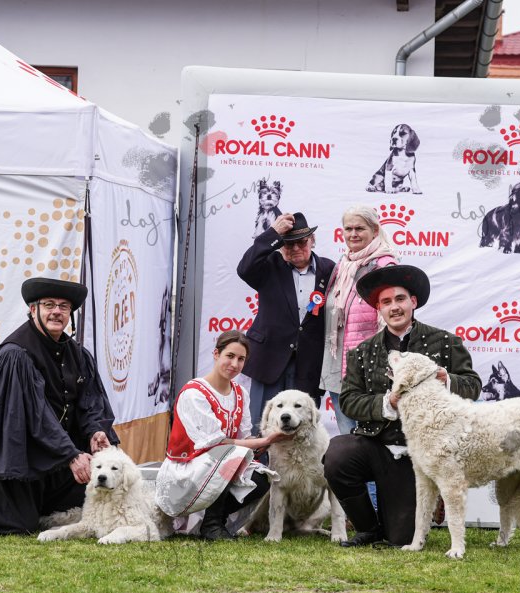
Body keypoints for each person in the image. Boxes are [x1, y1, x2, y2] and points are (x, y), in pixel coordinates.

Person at [0, 277, 118, 534]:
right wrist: (71, 456)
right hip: (12, 447)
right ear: (33, 309)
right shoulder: (15, 355)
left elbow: (91, 401)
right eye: (49, 305)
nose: (57, 312)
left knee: (82, 499)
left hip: (52, 448)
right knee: (17, 526)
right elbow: (33, 414)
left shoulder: (78, 354)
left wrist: (95, 430)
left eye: (63, 306)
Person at [323, 265, 481, 547]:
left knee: (401, 538)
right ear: (378, 309)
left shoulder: (445, 342)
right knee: (338, 454)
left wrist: (445, 378)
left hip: (423, 452)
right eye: (386, 302)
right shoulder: (362, 352)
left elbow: (473, 385)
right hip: (378, 445)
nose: (394, 307)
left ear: (413, 302)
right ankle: (367, 528)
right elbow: (348, 400)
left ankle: (431, 494)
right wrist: (388, 402)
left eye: (400, 299)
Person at [155, 331, 290, 540]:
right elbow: (215, 442)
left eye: (241, 359)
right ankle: (211, 526)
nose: (235, 364)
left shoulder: (240, 393)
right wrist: (265, 440)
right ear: (216, 354)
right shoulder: (194, 393)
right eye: (230, 356)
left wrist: (268, 439)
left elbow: (244, 438)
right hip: (188, 469)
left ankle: (214, 520)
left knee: (262, 478)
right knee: (228, 456)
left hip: (222, 462)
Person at [237, 212, 335, 434]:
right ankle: (259, 459)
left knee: (303, 429)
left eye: (302, 242)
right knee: (261, 425)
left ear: (312, 241)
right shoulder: (268, 265)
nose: (296, 248)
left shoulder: (329, 269)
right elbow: (244, 268)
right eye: (289, 244)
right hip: (269, 358)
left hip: (309, 362)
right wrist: (273, 233)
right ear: (281, 245)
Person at [319, 204, 399, 435]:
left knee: (369, 439)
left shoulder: (385, 266)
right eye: (348, 229)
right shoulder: (342, 265)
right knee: (347, 437)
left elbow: (394, 323)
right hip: (337, 365)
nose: (353, 234)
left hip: (368, 370)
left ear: (375, 231)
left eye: (359, 228)